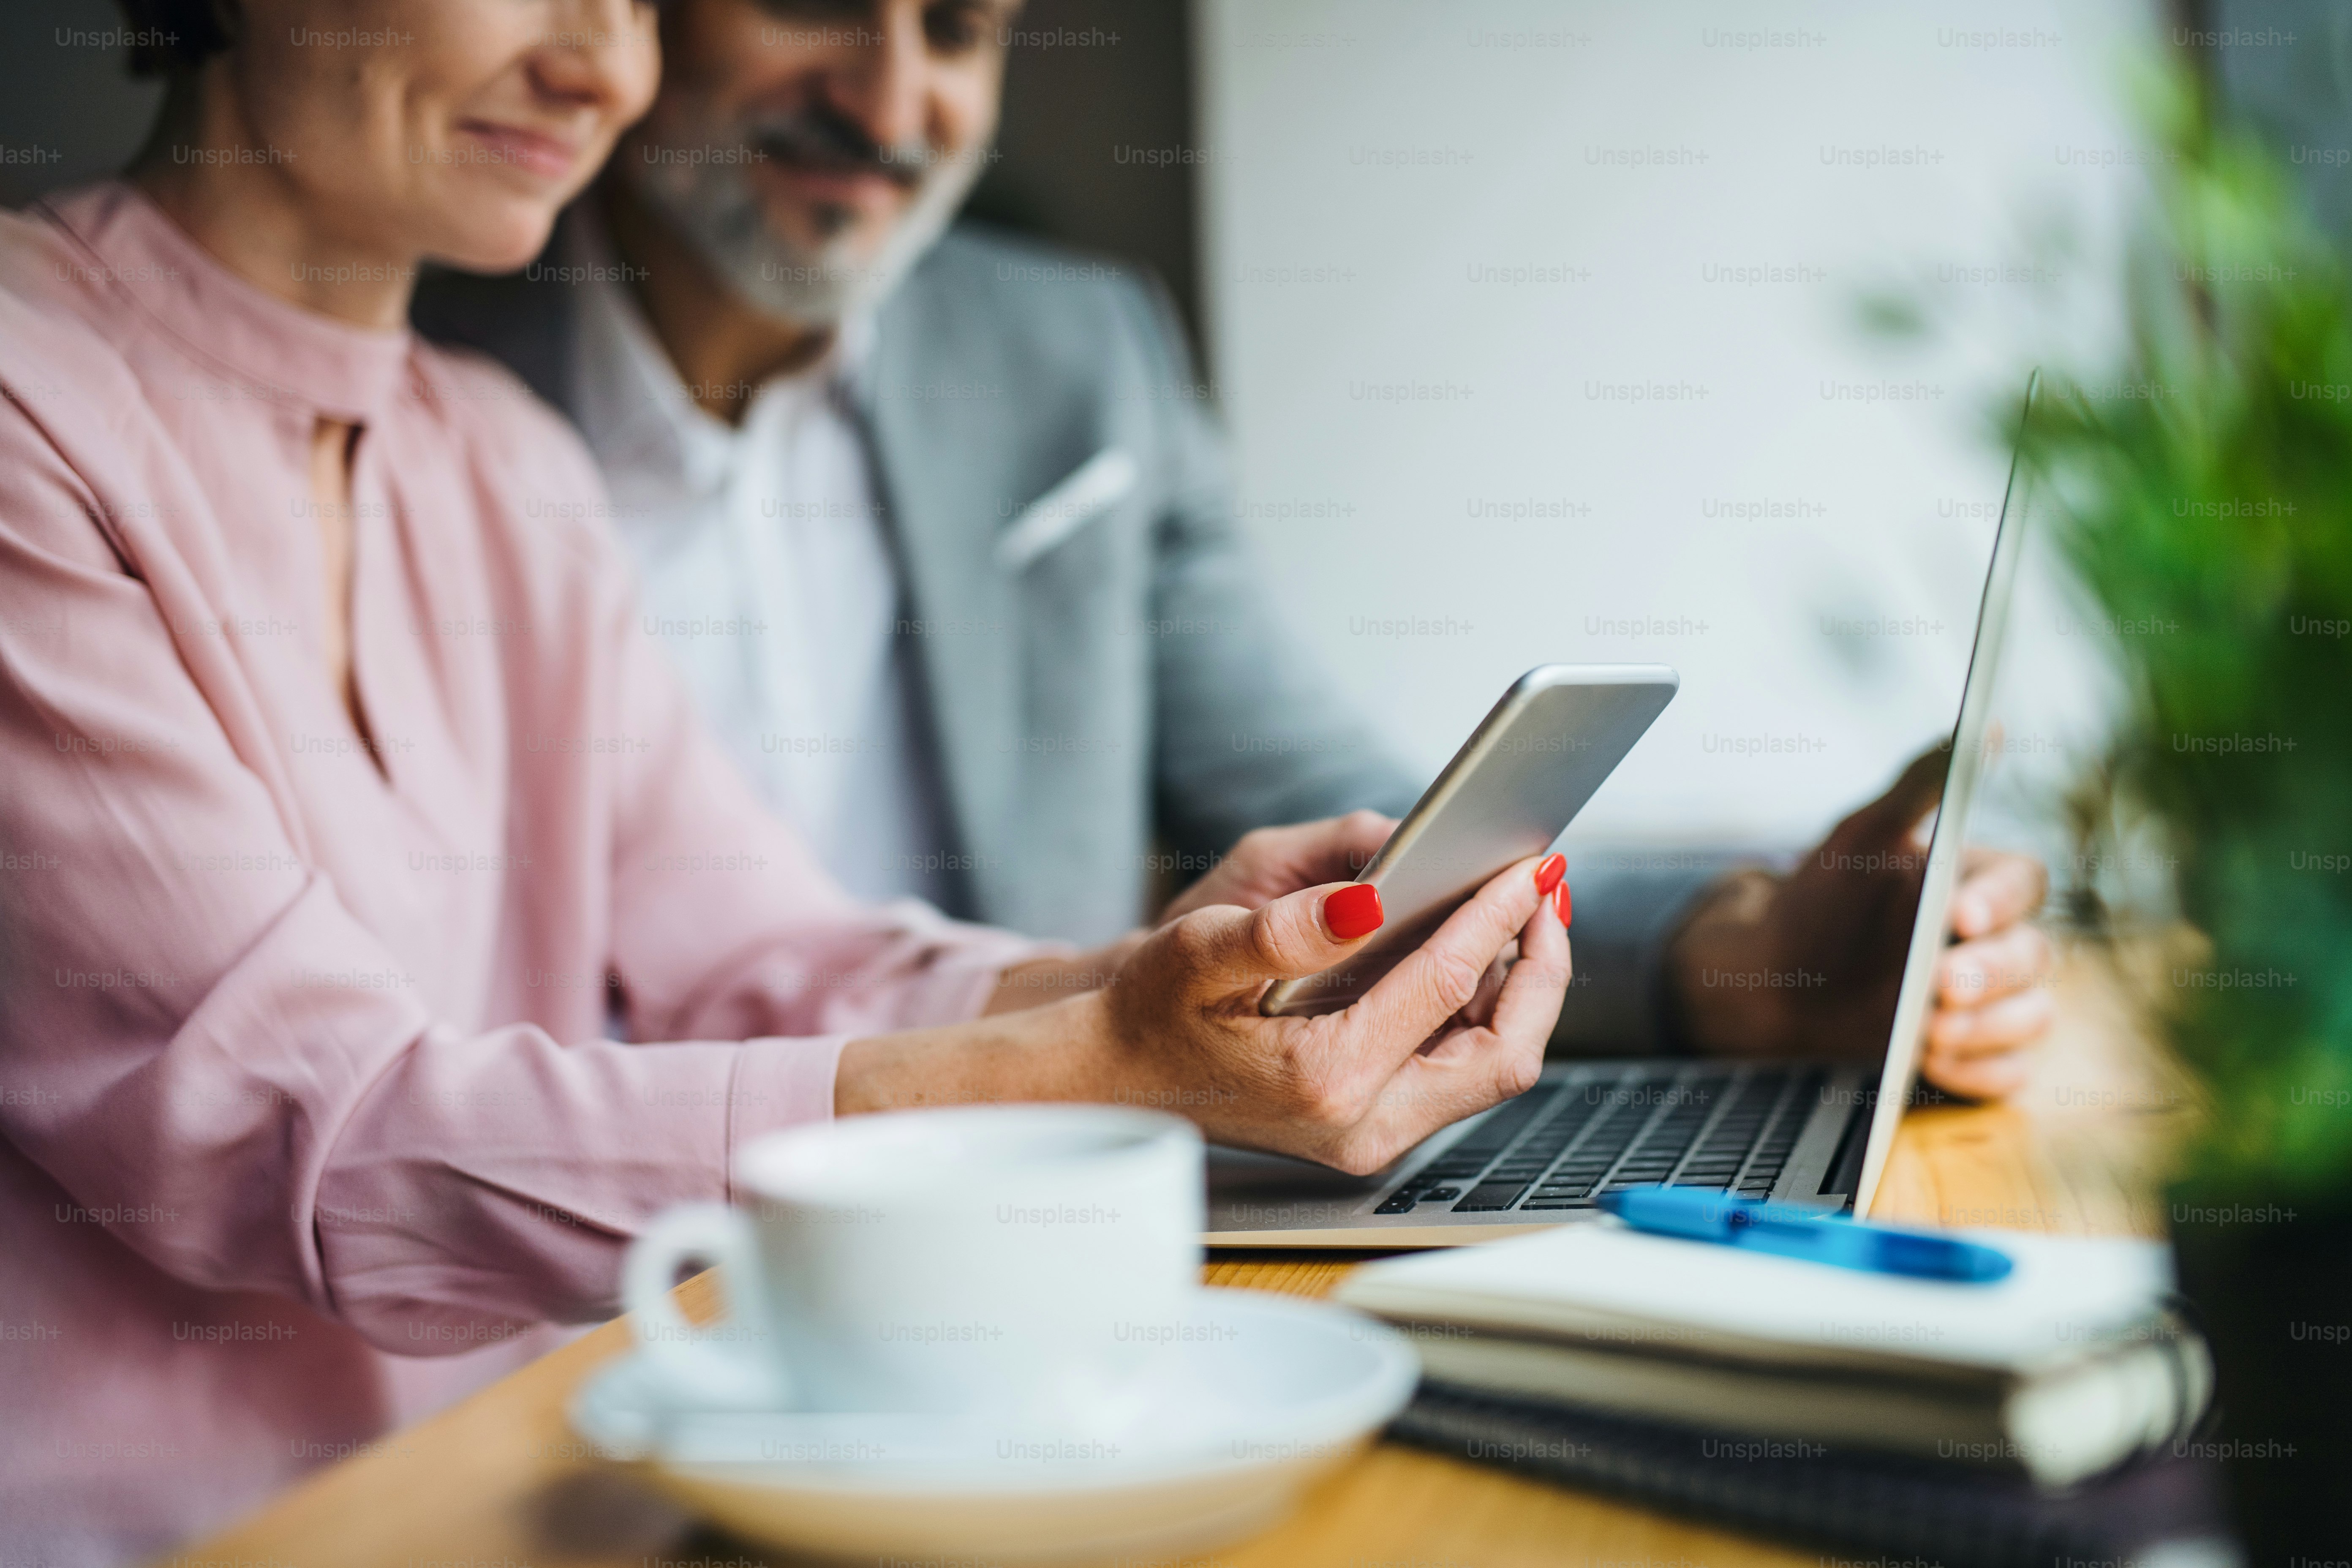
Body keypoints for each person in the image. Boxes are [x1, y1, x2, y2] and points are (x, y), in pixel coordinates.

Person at [0, 5, 1565, 1561]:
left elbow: (772, 962)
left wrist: (1156, 979)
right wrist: (1101, 1063)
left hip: (535, 1499)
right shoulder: (28, 406)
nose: (600, 68)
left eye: (627, 0)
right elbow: (316, 1140)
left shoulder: (496, 458)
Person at [411, 0, 2057, 1102]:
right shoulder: (396, 364)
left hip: (1033, 1243)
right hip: (550, 1289)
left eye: (962, 27)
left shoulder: (1073, 364)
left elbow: (1372, 841)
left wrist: (1737, 958)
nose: (895, 100)